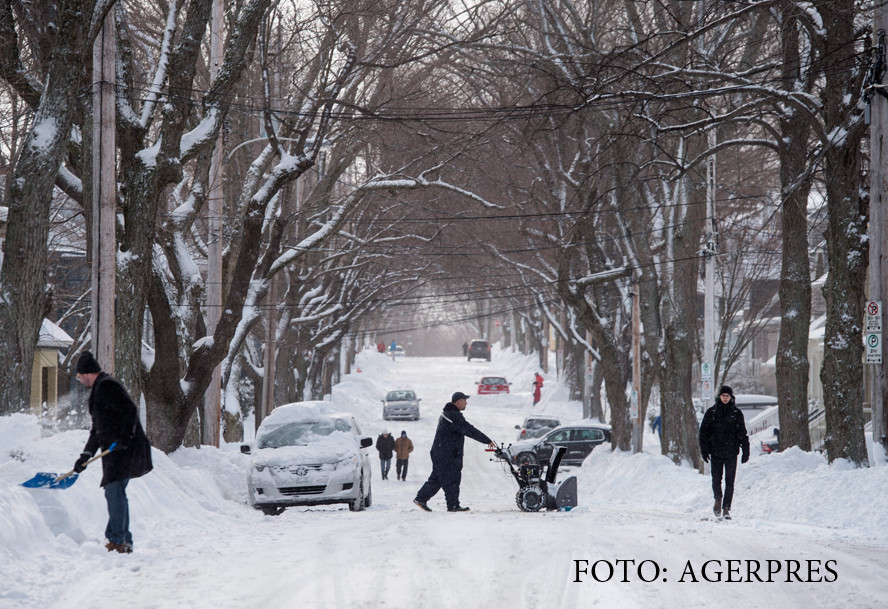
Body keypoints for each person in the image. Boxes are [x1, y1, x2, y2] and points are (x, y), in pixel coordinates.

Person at [72, 351, 153, 553]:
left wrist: (124, 438)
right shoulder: (100, 388)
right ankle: (121, 538)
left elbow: (130, 411)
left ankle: (119, 540)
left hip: (124, 449)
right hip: (115, 450)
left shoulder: (108, 386)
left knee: (114, 492)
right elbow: (98, 429)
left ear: (86, 373)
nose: (80, 381)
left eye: (79, 377)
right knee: (116, 493)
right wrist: (85, 455)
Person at [414, 392, 495, 512]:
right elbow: (469, 429)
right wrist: (486, 440)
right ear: (458, 401)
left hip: (442, 452)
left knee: (437, 478)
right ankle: (453, 505)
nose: (466, 403)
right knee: (452, 478)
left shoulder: (449, 413)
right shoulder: (453, 415)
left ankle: (421, 498)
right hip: (446, 453)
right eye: (464, 400)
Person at [699, 385, 750, 520]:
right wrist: (704, 451)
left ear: (731, 397)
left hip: (731, 452)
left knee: (730, 481)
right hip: (716, 451)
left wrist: (746, 451)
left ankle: (726, 507)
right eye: (723, 396)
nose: (725, 398)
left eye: (727, 396)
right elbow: (703, 433)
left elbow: (742, 434)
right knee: (716, 479)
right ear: (719, 397)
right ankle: (718, 499)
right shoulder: (712, 413)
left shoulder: (736, 414)